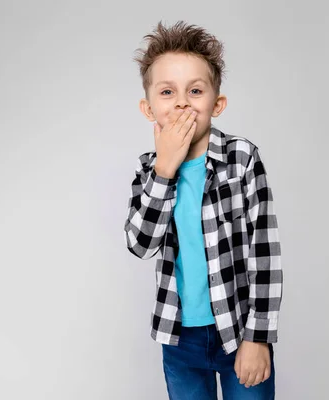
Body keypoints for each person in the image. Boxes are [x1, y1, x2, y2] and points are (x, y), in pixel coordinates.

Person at [124, 20, 283, 399]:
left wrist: (258, 337)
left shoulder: (241, 158)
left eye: (195, 90)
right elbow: (140, 245)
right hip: (180, 338)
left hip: (239, 332)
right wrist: (165, 170)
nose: (181, 102)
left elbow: (265, 254)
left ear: (217, 103)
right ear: (149, 108)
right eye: (167, 92)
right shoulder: (148, 169)